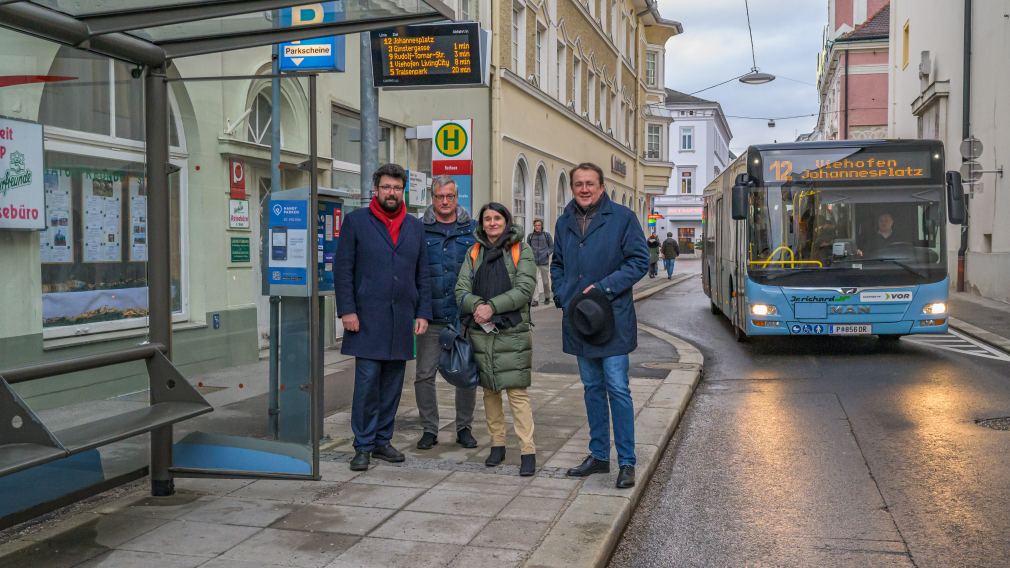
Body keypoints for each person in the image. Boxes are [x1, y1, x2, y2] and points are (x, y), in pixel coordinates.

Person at [551, 162, 649, 489]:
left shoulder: (622, 218)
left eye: (590, 183)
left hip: (612, 319)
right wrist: (562, 294)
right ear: (572, 187)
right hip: (579, 319)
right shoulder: (564, 222)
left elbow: (639, 262)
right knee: (592, 389)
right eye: (578, 183)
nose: (584, 189)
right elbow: (558, 264)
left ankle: (627, 461)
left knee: (617, 389)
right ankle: (598, 456)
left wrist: (604, 290)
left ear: (601, 186)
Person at [334, 163, 431, 471]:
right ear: (375, 189)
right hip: (366, 318)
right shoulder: (356, 222)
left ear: (403, 191)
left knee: (392, 384)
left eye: (397, 188)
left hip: (401, 318)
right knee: (367, 383)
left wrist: (423, 312)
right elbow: (343, 270)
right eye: (387, 187)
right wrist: (347, 310)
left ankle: (381, 442)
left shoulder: (414, 226)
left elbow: (422, 274)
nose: (392, 193)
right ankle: (362, 445)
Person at [455, 202, 538, 477]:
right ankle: (497, 445)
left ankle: (527, 451)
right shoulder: (474, 251)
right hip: (482, 330)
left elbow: (525, 289)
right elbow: (460, 289)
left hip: (512, 331)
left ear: (506, 221)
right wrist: (478, 305)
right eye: (487, 219)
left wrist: (492, 306)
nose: (492, 223)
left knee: (517, 393)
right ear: (482, 223)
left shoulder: (520, 250)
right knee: (489, 391)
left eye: (497, 218)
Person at [414, 176, 478, 451]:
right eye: (439, 196)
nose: (444, 201)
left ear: (456, 196)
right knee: (424, 376)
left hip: (463, 317)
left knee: (465, 374)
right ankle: (429, 429)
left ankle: (464, 428)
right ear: (432, 197)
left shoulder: (472, 229)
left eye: (449, 196)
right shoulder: (419, 229)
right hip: (431, 316)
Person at [526, 219, 554, 306]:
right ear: (534, 226)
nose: (537, 227)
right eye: (536, 225)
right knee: (535, 281)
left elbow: (552, 247)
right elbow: (528, 248)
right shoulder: (530, 236)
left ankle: (547, 297)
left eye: (539, 225)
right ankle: (536, 300)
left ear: (541, 226)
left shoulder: (546, 235)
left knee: (545, 282)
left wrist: (547, 253)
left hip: (544, 262)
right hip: (533, 262)